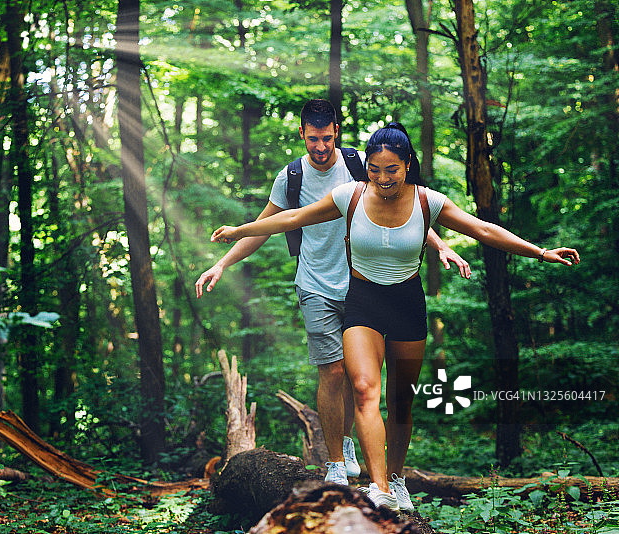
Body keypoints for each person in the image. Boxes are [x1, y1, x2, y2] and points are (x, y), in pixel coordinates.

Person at [210, 122, 580, 511]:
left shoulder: (428, 202)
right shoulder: (349, 196)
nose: (383, 178)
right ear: (366, 166)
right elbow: (291, 219)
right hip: (363, 301)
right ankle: (380, 488)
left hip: (406, 303)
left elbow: (483, 229)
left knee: (401, 401)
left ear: (407, 166)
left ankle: (398, 478)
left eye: (392, 169)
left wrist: (540, 252)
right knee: (366, 389)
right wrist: (240, 230)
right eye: (374, 168)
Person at [196, 101, 470, 489]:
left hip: (365, 287)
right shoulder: (290, 178)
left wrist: (439, 244)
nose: (320, 147)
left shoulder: (361, 166)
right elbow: (268, 225)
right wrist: (223, 263)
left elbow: (399, 212)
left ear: (336, 132)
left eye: (326, 139)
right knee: (334, 370)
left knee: (368, 384)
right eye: (313, 140)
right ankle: (337, 460)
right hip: (317, 285)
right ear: (303, 136)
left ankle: (374, 467)